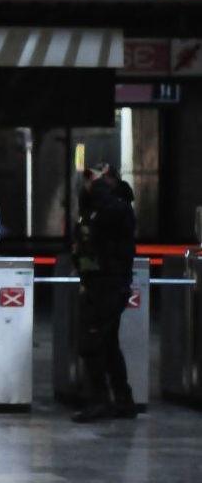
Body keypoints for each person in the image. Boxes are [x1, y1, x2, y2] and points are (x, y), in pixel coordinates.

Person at [72, 167, 137, 423]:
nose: (94, 182)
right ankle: (123, 400)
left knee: (92, 343)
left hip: (110, 285)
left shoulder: (119, 208)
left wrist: (99, 186)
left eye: (101, 178)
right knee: (108, 345)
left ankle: (100, 401)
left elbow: (108, 217)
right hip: (95, 283)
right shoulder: (93, 208)